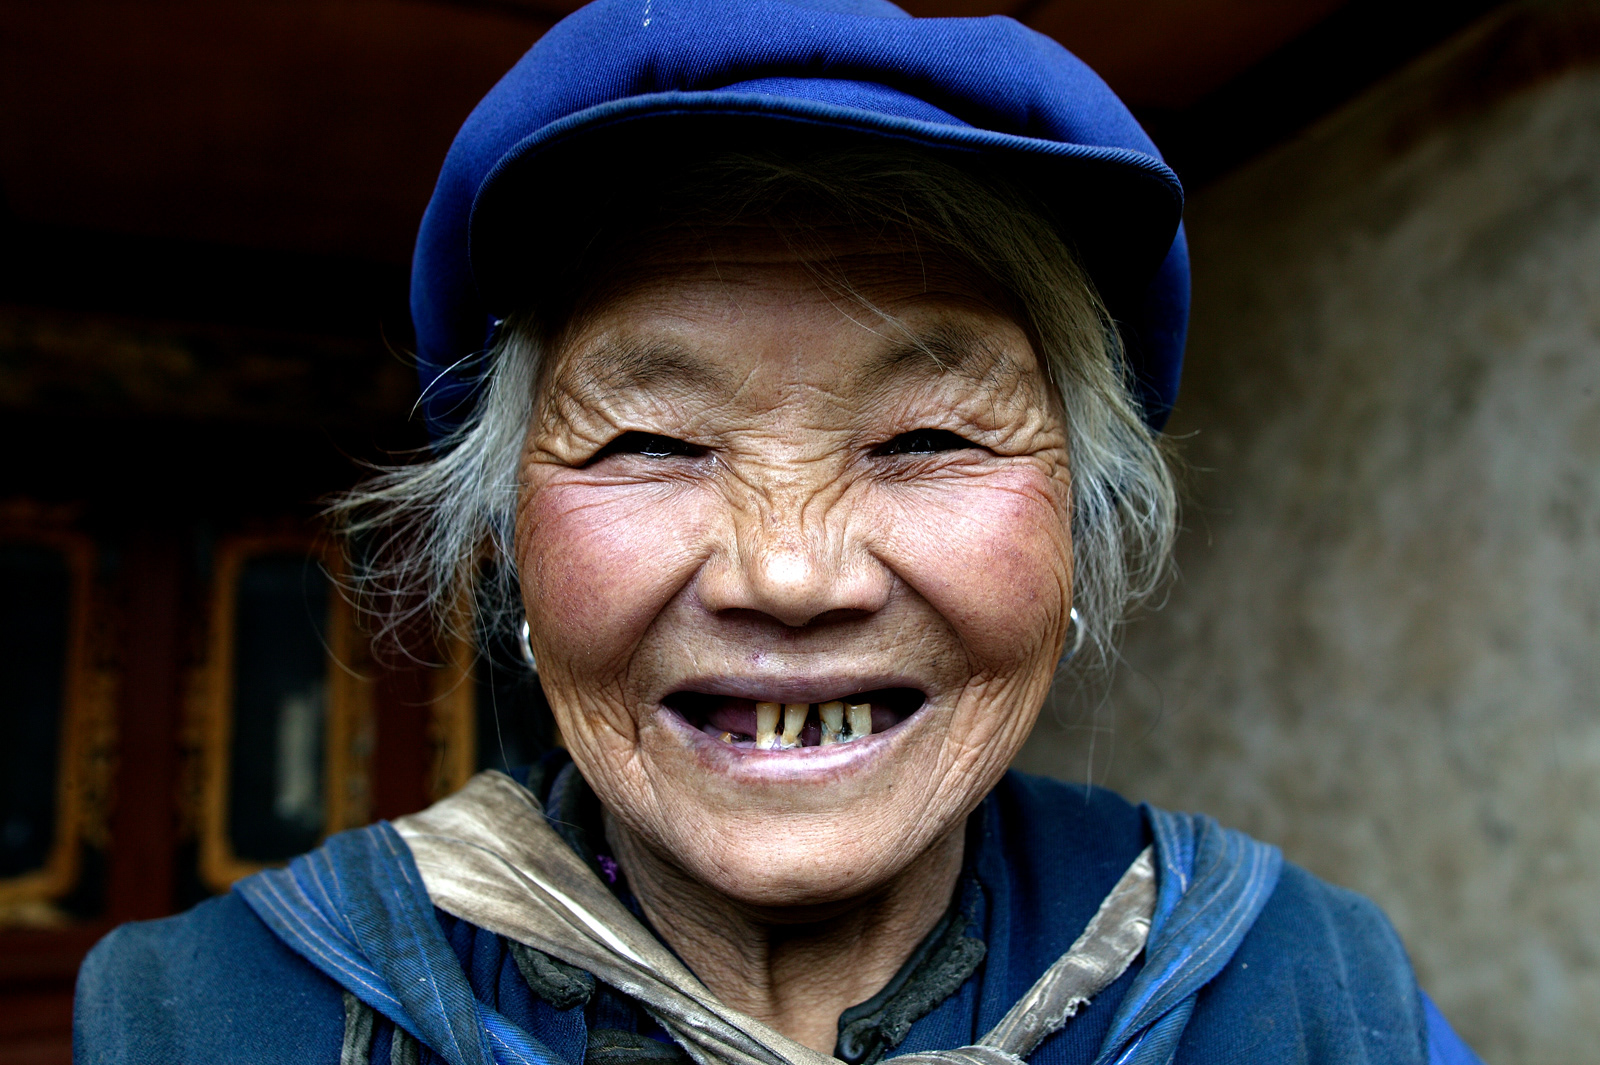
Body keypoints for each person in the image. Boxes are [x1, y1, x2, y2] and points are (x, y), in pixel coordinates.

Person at [73, 2, 1485, 1063]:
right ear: (508, 550)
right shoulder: (211, 1016)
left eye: (929, 437)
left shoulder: (1297, 987)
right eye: (652, 442)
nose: (790, 573)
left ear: (1075, 534)